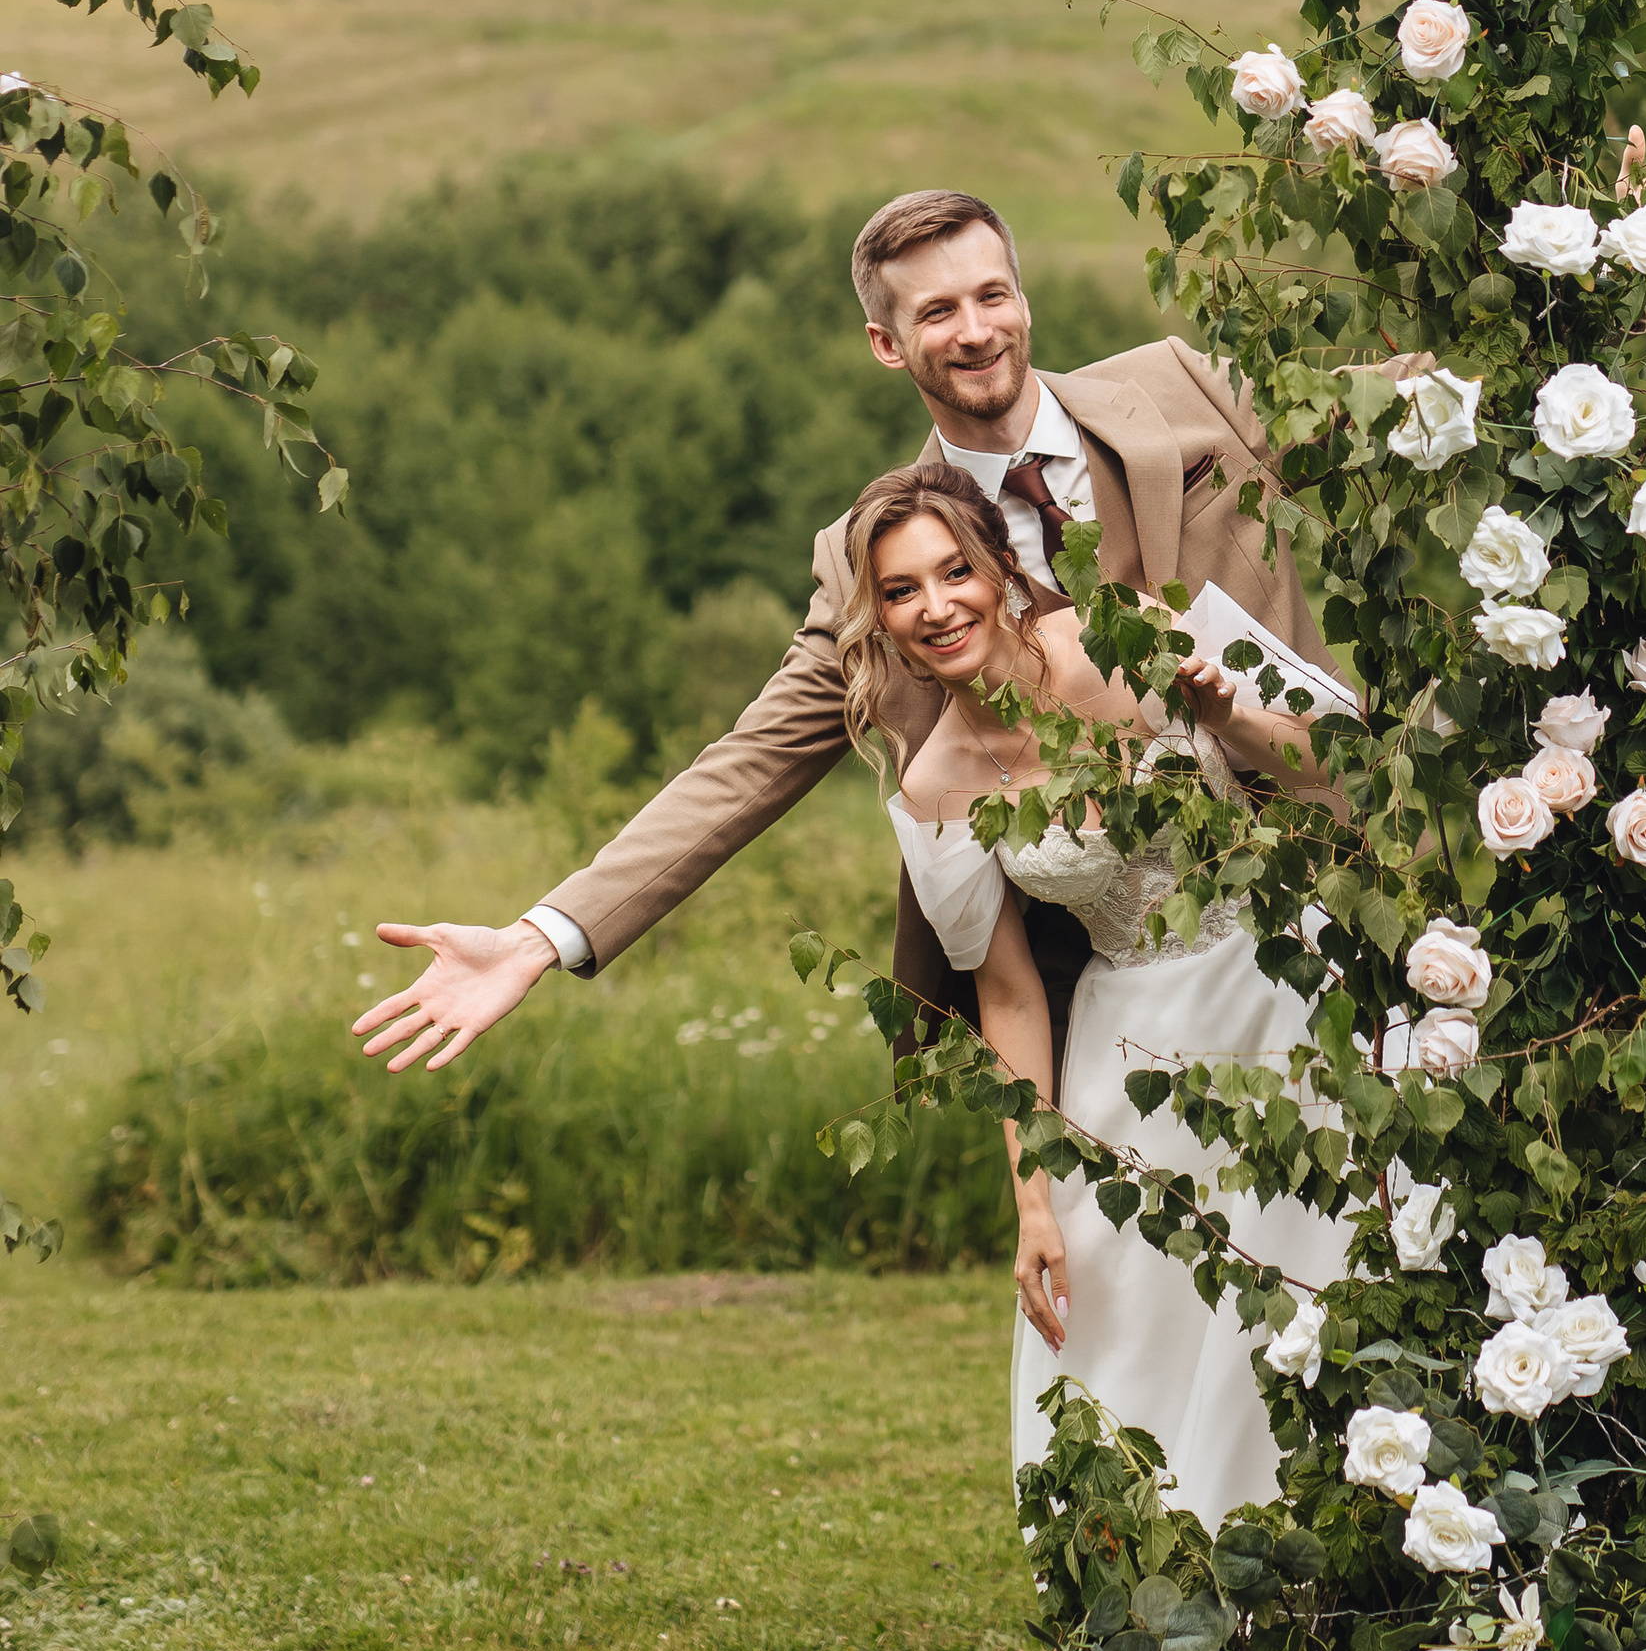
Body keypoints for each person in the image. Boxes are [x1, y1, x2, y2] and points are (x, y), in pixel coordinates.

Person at [353, 184, 1335, 1079]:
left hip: (1335, 880)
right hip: (1114, 987)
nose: (976, 331)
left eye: (992, 297)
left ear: (1023, 303)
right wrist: (539, 936)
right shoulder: (869, 564)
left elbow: (1372, 413)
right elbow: (750, 760)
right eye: (937, 312)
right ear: (886, 343)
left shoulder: (1177, 389)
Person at [846, 458, 1349, 1518]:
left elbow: (1322, 761)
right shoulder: (936, 786)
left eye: (953, 573)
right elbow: (1013, 997)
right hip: (1129, 1052)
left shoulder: (1122, 631)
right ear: (879, 617)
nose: (936, 608)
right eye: (901, 591)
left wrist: (1224, 710)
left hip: (1282, 987)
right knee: (1137, 1339)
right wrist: (1032, 1199)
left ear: (997, 569)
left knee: (1311, 1296)